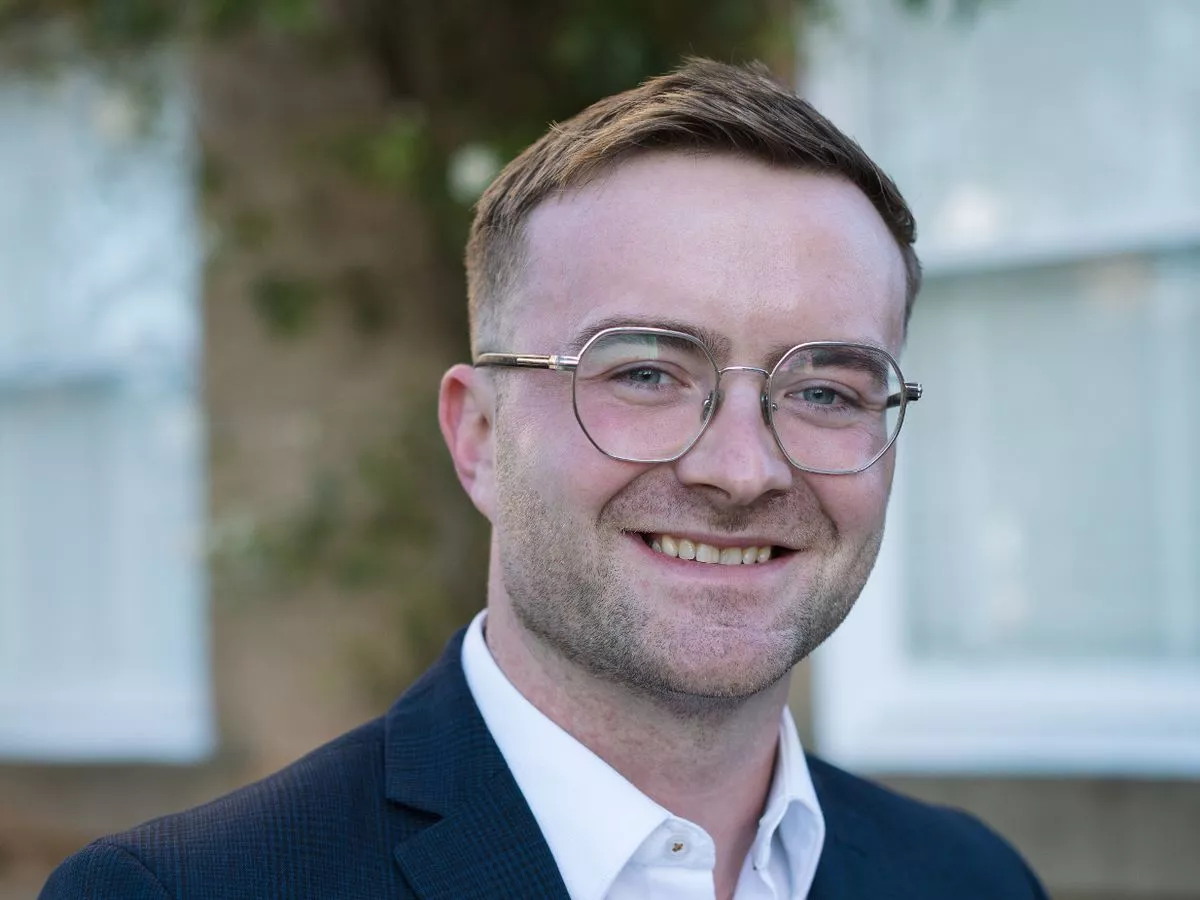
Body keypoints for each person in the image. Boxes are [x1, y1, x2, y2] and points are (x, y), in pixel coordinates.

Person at [41, 58, 1048, 900]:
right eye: (647, 373)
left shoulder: (970, 880)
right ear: (478, 435)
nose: (743, 469)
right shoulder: (188, 891)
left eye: (827, 390)